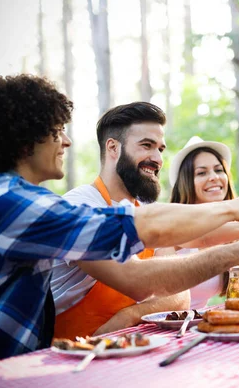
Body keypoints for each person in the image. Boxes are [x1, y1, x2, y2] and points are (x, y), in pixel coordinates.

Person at [0, 75, 239, 375]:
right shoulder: (8, 204)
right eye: (56, 130)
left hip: (26, 367)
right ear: (24, 138)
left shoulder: (10, 200)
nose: (66, 141)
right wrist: (234, 213)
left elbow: (188, 232)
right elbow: (143, 250)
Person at [50, 102, 187, 339]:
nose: (157, 158)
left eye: (160, 149)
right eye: (146, 145)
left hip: (129, 348)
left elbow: (179, 293)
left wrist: (130, 316)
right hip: (71, 357)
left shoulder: (146, 209)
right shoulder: (81, 205)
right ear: (113, 147)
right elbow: (137, 280)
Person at [164, 136, 239, 308]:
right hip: (162, 323)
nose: (214, 177)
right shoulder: (174, 222)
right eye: (201, 172)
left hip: (195, 325)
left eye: (218, 170)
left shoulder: (238, 227)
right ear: (186, 182)